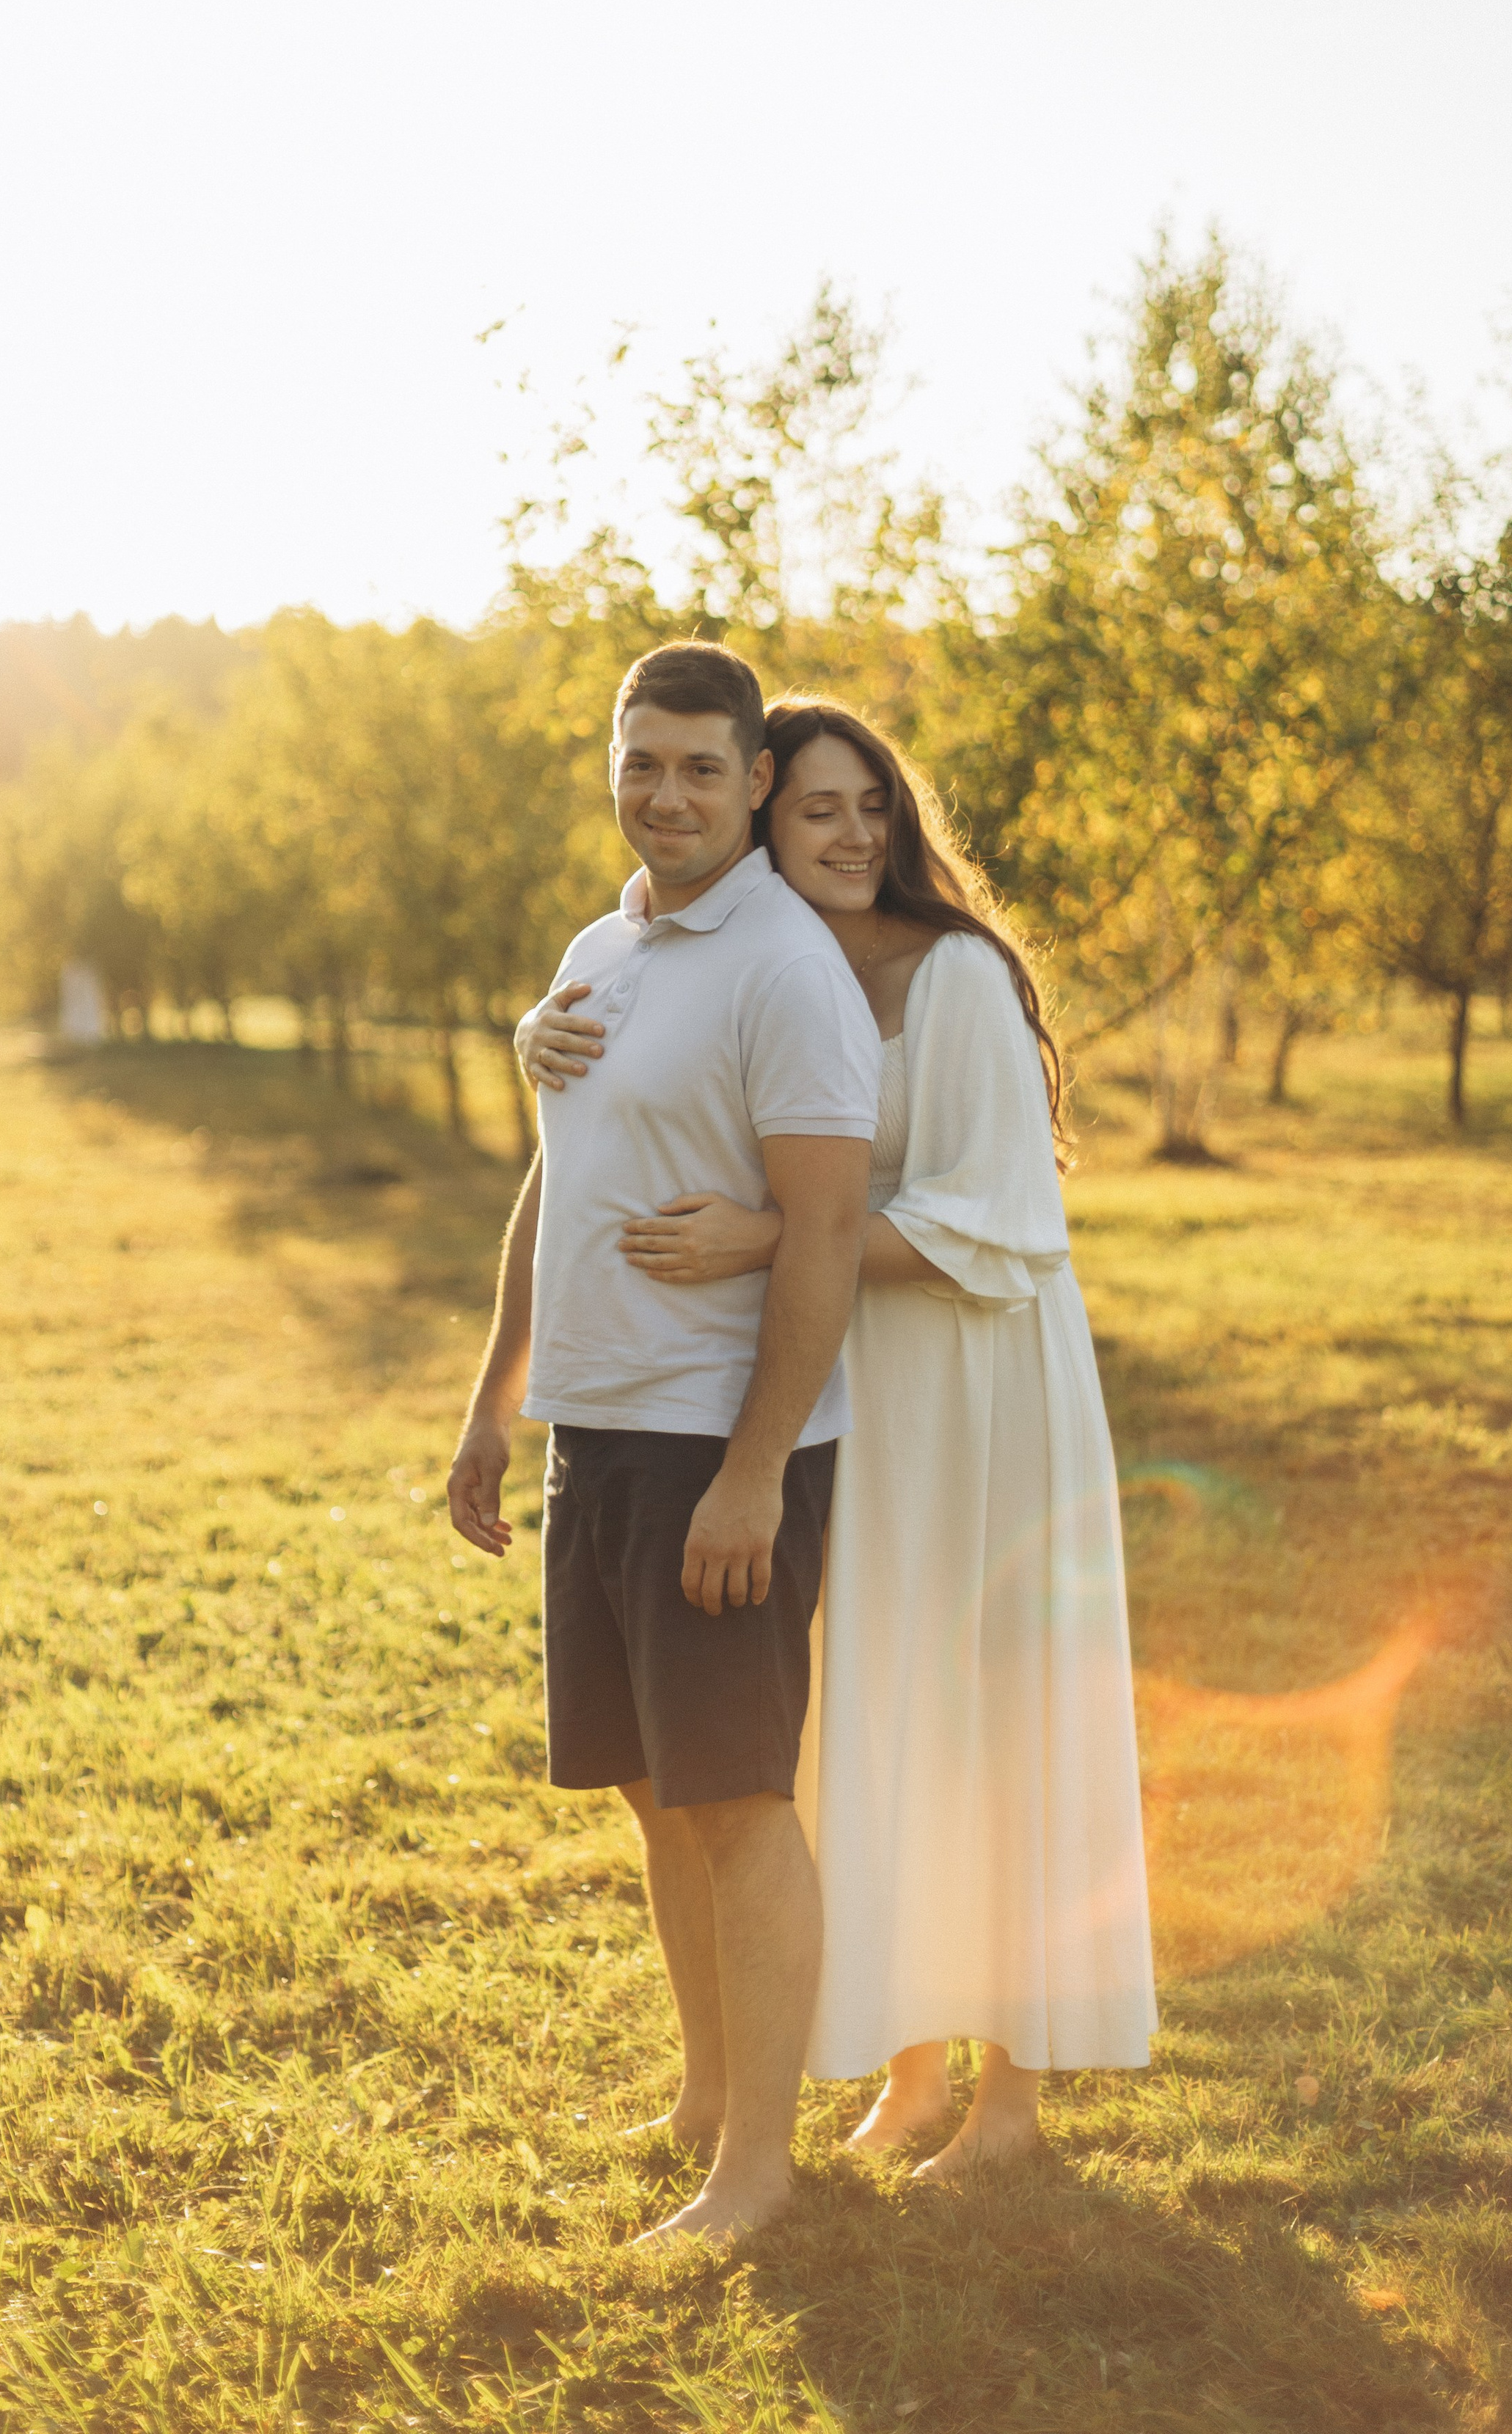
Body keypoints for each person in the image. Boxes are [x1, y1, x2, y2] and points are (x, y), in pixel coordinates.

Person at [520, 695, 1155, 2179]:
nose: (854, 834)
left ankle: (1008, 2098)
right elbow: (646, 994)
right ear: (762, 815)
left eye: (873, 806)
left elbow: (998, 1224)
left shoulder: (956, 975)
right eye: (819, 808)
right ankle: (907, 2071)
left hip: (979, 1385)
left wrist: (768, 1238)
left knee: (987, 1712)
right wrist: (534, 1030)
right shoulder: (767, 963)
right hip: (848, 1382)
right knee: (871, 1716)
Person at [446, 643, 882, 2244]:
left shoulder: (785, 970)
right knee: (650, 1790)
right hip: (599, 1432)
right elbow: (557, 1178)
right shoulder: (603, 946)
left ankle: (756, 2172)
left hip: (715, 1446)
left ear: (756, 781)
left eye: (704, 767)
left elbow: (823, 1234)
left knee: (738, 1802)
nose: (669, 794)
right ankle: (707, 2095)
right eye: (644, 763)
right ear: (612, 767)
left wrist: (756, 1473)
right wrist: (497, 1397)